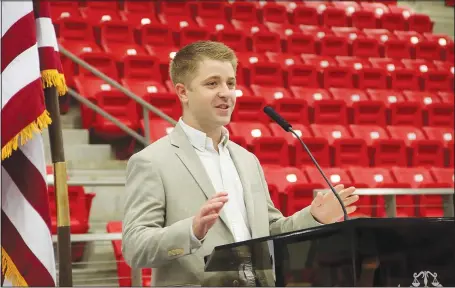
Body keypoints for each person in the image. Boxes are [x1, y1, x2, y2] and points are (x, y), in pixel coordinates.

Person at [122, 40, 359, 287]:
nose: (226, 92)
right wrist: (191, 231)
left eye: (231, 83)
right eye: (212, 83)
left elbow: (268, 232)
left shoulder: (247, 161)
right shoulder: (151, 161)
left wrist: (313, 217)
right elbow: (135, 248)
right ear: (183, 92)